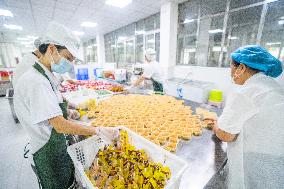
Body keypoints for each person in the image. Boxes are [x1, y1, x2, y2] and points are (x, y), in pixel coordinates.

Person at [13, 22, 114, 189]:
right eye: (68, 58)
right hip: (46, 151)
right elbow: (59, 125)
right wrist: (98, 130)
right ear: (51, 49)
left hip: (56, 146)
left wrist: (67, 110)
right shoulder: (36, 81)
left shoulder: (47, 75)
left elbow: (50, 107)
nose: (70, 64)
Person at [207, 45, 284, 189]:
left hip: (258, 164)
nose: (231, 73)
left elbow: (226, 135)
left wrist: (215, 125)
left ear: (241, 68)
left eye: (231, 67)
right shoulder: (273, 87)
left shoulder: (247, 91)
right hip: (277, 163)